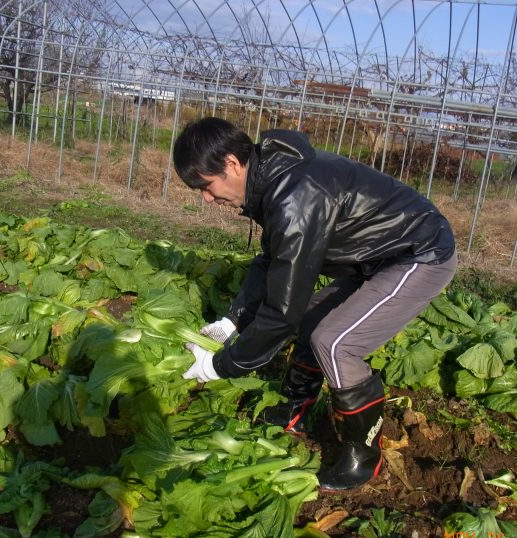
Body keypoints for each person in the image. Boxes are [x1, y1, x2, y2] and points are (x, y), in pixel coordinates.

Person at [173, 116, 457, 491]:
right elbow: (272, 261)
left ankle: (363, 455)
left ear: (231, 163)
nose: (206, 198)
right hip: (376, 255)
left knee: (336, 343)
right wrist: (232, 321)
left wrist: (222, 366)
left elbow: (281, 312)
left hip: (418, 254)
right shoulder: (273, 181)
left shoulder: (294, 196)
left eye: (206, 186)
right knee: (311, 323)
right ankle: (295, 411)